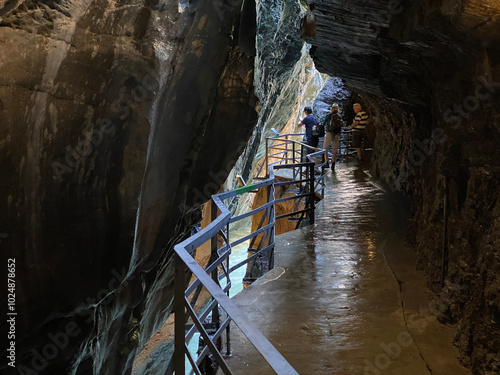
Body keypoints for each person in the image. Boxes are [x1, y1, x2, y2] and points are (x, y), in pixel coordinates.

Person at [322, 103, 343, 169]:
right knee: (335, 148)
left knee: (325, 148)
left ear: (331, 109)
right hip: (336, 134)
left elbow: (323, 123)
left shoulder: (328, 115)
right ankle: (333, 163)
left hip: (329, 133)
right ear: (338, 109)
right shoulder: (339, 116)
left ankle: (327, 162)